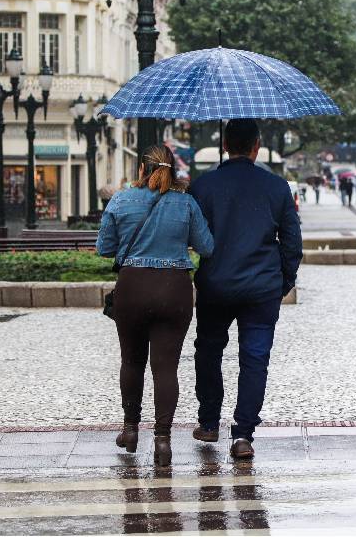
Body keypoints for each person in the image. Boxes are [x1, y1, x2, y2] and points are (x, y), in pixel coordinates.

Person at [190, 119, 303, 460]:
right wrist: (283, 281)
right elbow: (292, 242)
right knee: (255, 358)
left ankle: (209, 422)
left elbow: (192, 237)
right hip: (262, 287)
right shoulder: (276, 186)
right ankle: (243, 435)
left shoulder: (203, 186)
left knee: (208, 350)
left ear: (225, 145)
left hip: (215, 285)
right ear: (257, 147)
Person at [96, 144, 214, 467]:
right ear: (174, 171)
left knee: (131, 361)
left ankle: (130, 430)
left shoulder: (121, 200)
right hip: (174, 289)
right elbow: (207, 246)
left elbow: (104, 248)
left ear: (141, 170)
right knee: (166, 368)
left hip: (132, 288)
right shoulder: (187, 203)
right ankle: (163, 441)